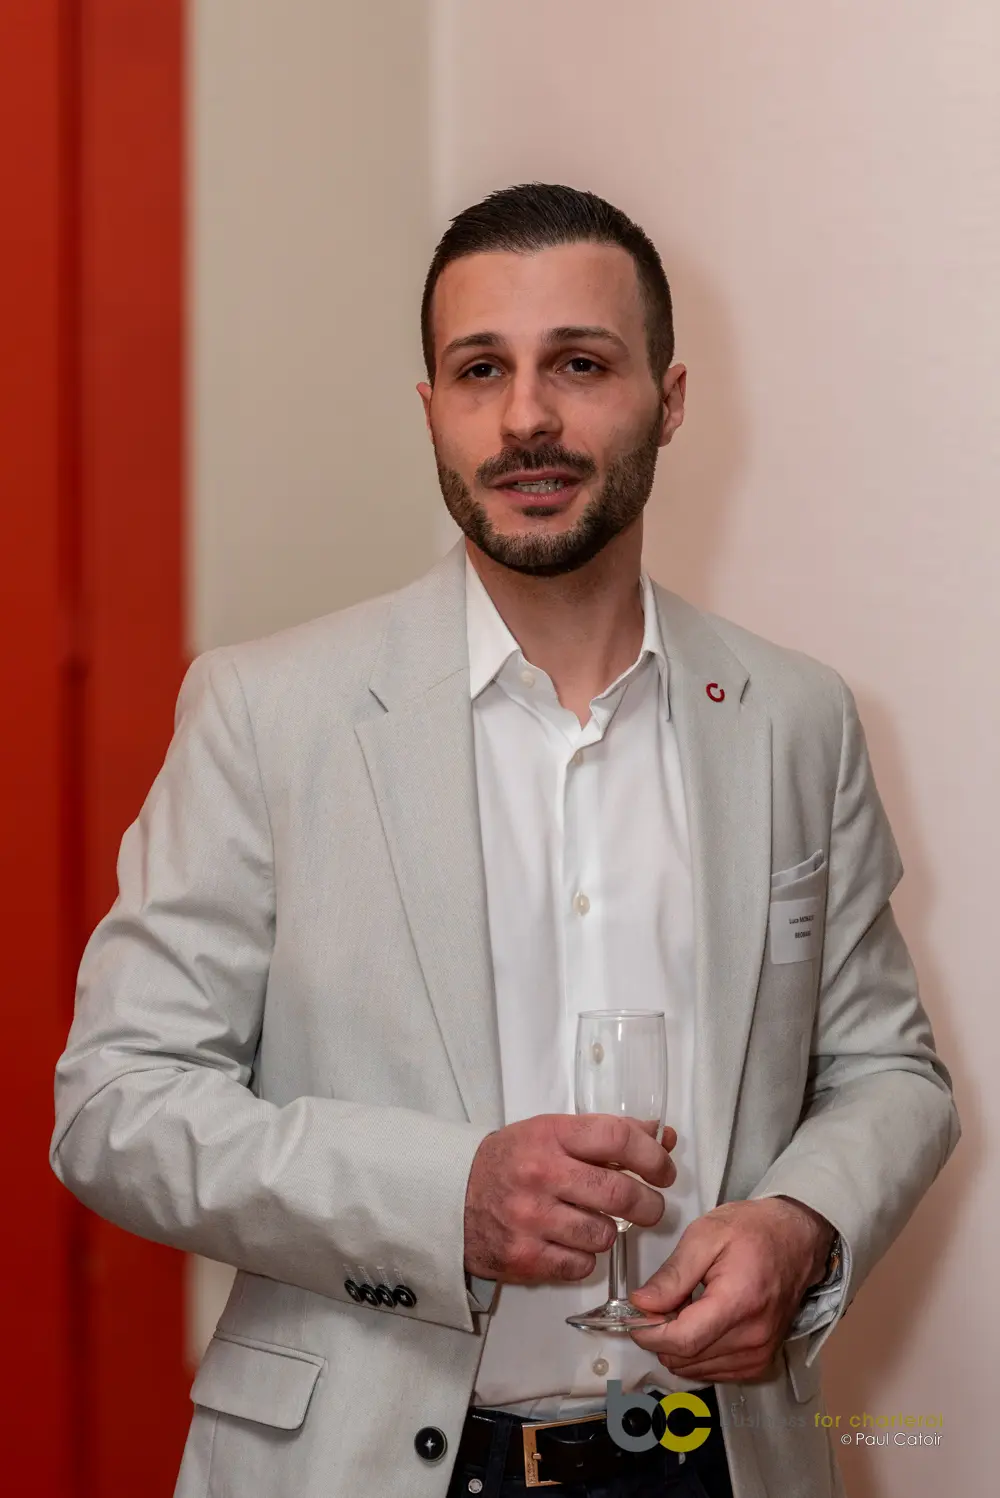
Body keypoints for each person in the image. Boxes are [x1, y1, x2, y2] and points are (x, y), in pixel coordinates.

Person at [50, 183, 959, 1498]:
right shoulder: (266, 713)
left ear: (670, 399)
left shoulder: (797, 719)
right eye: (482, 370)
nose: (527, 416)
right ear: (432, 407)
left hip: (708, 1457)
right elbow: (117, 1103)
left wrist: (802, 1223)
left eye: (579, 364)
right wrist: (446, 1196)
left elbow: (889, 1069)